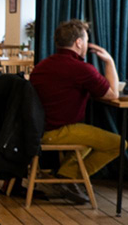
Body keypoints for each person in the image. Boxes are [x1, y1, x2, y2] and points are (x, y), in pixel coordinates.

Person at [29, 19, 120, 202]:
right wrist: (109, 62)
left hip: (37, 129)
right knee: (119, 143)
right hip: (56, 131)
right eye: (86, 40)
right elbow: (112, 95)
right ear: (78, 42)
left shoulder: (42, 65)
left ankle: (66, 177)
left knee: (87, 140)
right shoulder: (81, 69)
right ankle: (69, 179)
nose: (87, 44)